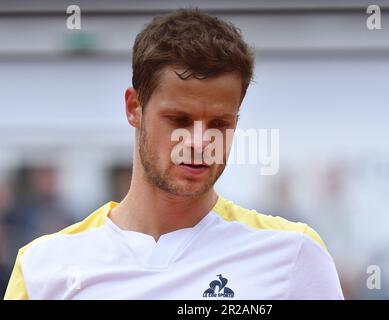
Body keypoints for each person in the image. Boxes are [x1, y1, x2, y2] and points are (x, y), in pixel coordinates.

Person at [4, 8, 343, 300]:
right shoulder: (44, 266)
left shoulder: (292, 252)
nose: (198, 141)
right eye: (179, 120)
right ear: (134, 107)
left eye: (219, 123)